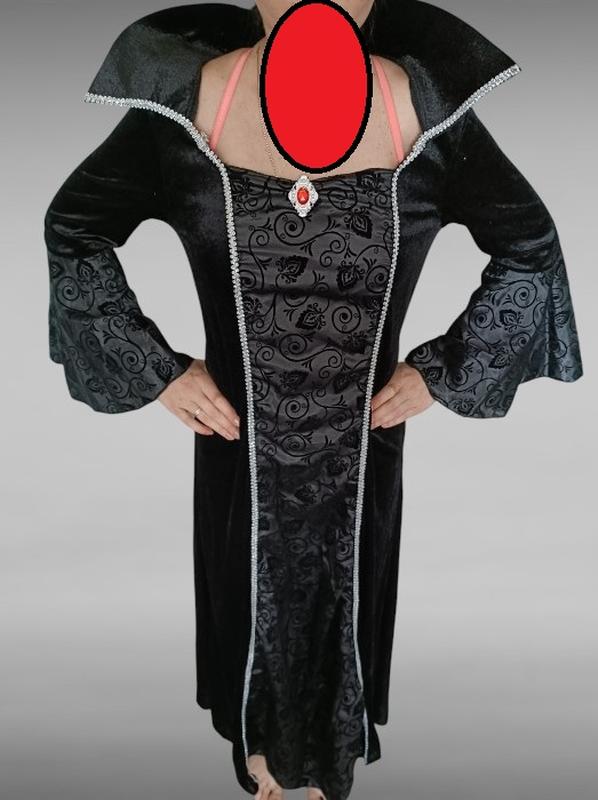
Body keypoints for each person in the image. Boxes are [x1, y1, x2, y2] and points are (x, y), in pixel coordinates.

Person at [43, 2, 583, 800]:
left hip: (362, 445)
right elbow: (75, 227)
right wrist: (153, 368)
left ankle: (329, 766)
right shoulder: (187, 113)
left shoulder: (425, 118)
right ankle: (262, 757)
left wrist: (444, 370)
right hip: (237, 445)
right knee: (248, 610)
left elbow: (529, 246)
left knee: (345, 604)